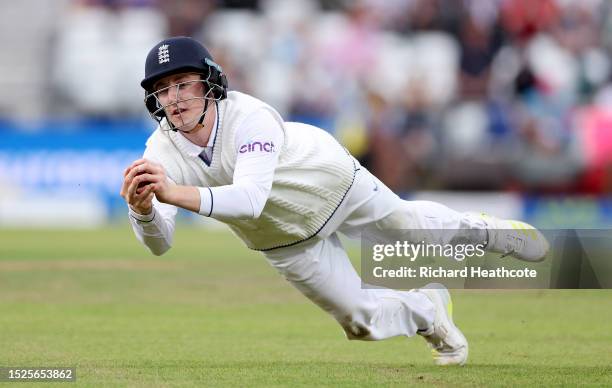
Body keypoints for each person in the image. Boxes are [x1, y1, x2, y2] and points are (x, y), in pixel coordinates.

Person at [121, 36, 549, 366]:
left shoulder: (248, 117)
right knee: (360, 323)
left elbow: (250, 199)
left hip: (329, 183)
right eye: (163, 90)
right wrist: (143, 213)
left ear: (209, 81)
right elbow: (161, 244)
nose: (174, 98)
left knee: (408, 228)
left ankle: (483, 232)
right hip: (282, 238)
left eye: (182, 83)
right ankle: (426, 311)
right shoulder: (158, 152)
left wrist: (172, 193)